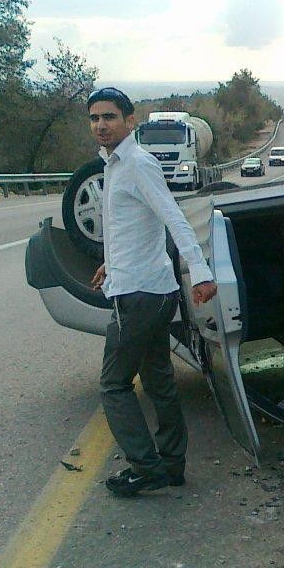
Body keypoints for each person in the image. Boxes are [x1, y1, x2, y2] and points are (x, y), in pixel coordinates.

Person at [85, 87, 218, 497]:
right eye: (94, 118)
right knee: (159, 381)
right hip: (150, 288)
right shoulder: (114, 165)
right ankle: (173, 465)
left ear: (129, 121)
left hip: (140, 296)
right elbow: (134, 225)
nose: (101, 125)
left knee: (113, 384)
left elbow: (174, 218)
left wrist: (199, 271)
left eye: (109, 117)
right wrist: (112, 260)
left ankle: (146, 467)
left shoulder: (138, 164)